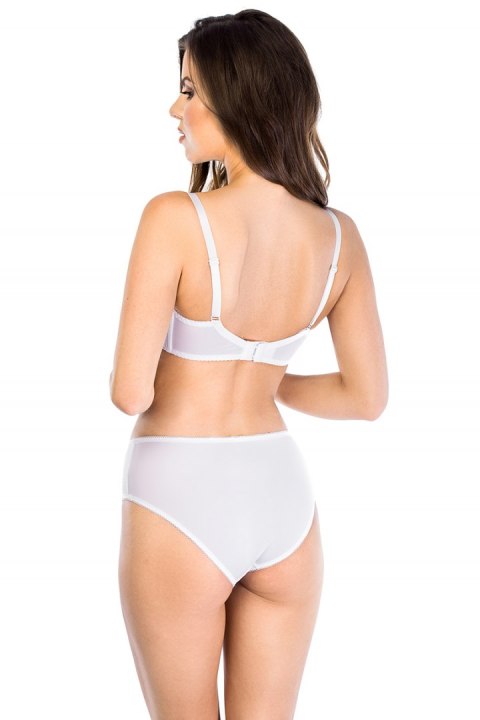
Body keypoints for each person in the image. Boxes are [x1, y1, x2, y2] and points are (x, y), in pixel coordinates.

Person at [110, 9, 388, 720]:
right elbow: (366, 399)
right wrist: (269, 380)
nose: (175, 109)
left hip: (178, 493)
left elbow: (130, 391)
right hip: (281, 498)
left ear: (239, 97)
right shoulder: (340, 237)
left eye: (189, 91)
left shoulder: (175, 218)